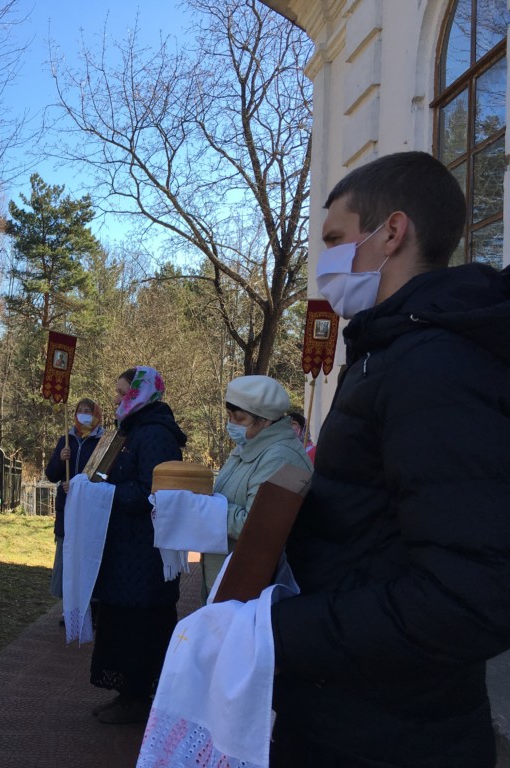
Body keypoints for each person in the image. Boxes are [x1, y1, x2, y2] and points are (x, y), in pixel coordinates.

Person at [271, 151, 510, 767]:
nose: (324, 260)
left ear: (392, 232)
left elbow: (467, 598)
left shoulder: (436, 367)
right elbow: (373, 526)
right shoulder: (390, 352)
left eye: (334, 240)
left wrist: (278, 632)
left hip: (392, 736)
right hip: (352, 713)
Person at [89, 366, 187, 725]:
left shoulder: (156, 434)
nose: (116, 397)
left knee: (142, 624)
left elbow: (154, 493)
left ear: (142, 394)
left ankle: (140, 697)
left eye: (123, 391)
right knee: (121, 620)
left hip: (146, 550)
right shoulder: (131, 429)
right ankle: (127, 694)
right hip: (125, 547)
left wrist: (105, 493)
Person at [202, 377, 312, 596]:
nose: (231, 424)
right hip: (225, 571)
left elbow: (256, 525)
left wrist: (203, 507)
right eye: (229, 416)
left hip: (249, 582)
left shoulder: (281, 456)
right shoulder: (248, 444)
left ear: (265, 421)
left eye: (240, 419)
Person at [43, 399, 104, 604]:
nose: (83, 414)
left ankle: (90, 602)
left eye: (88, 411)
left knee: (87, 555)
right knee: (66, 555)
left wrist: (79, 487)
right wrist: (61, 459)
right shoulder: (66, 440)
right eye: (80, 410)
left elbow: (103, 476)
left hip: (89, 509)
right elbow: (51, 474)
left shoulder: (101, 442)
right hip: (67, 508)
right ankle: (67, 605)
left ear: (96, 415)